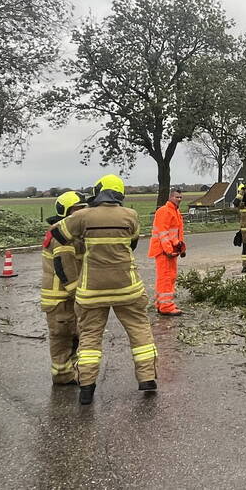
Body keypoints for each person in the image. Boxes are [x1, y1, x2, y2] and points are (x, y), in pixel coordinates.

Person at [51, 174, 157, 405]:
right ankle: (147, 378)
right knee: (140, 330)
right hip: (127, 287)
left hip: (92, 290)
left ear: (99, 191)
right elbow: (133, 244)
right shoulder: (131, 215)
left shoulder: (82, 216)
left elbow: (58, 234)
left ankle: (87, 387)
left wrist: (82, 235)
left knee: (90, 337)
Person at [40, 190, 87, 385]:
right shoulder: (62, 235)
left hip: (65, 296)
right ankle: (62, 374)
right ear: (67, 212)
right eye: (78, 210)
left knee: (74, 334)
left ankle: (70, 371)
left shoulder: (71, 232)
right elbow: (65, 267)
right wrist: (78, 294)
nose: (82, 214)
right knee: (62, 336)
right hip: (61, 298)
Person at [148, 188, 186, 315]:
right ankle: (166, 307)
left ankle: (162, 304)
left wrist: (181, 247)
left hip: (170, 250)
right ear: (170, 197)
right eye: (177, 197)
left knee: (170, 277)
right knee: (165, 278)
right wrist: (168, 250)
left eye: (180, 197)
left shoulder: (176, 211)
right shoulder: (164, 211)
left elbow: (177, 233)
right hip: (163, 251)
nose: (179, 199)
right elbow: (162, 233)